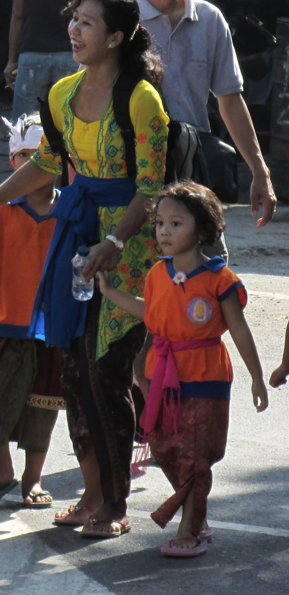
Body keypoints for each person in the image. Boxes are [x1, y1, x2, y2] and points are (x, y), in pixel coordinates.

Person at [0, 0, 168, 540]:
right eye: (74, 20)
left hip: (126, 250)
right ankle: (91, 495)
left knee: (104, 375)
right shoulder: (60, 93)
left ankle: (114, 503)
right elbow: (47, 164)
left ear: (117, 37)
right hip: (76, 243)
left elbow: (150, 190)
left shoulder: (141, 100)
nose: (74, 30)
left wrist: (113, 243)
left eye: (88, 24)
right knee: (73, 376)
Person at [96, 182, 267, 558]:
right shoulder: (158, 273)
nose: (164, 231)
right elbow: (153, 314)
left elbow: (238, 328)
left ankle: (189, 527)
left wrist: (256, 376)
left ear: (203, 231)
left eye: (176, 223)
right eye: (160, 223)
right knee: (164, 446)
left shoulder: (220, 279)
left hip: (205, 375)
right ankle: (195, 513)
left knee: (195, 452)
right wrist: (110, 293)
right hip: (162, 375)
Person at [133, 0, 276, 228]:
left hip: (191, 175)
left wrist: (259, 172)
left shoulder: (210, 20)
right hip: (130, 173)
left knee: (204, 269)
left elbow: (230, 99)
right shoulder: (122, 19)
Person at [0, 114, 62, 508]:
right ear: (13, 163)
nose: (30, 164)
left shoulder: (70, 208)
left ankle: (31, 479)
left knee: (43, 404)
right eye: (21, 156)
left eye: (39, 155)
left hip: (49, 325)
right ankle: (2, 468)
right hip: (1, 319)